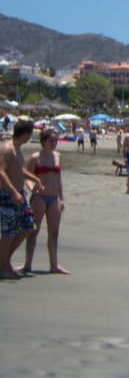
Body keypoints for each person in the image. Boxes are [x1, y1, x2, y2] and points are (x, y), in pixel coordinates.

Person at [20, 128, 69, 274]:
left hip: (54, 198)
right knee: (33, 231)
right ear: (43, 141)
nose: (54, 143)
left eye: (55, 140)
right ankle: (27, 264)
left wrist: (62, 198)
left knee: (54, 233)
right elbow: (27, 176)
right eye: (51, 140)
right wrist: (32, 188)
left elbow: (59, 178)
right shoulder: (35, 157)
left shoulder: (58, 156)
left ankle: (54, 265)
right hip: (39, 198)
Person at [0, 119, 39, 279]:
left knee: (28, 226)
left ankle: (4, 260)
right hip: (8, 195)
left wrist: (35, 178)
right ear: (26, 134)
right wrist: (13, 192)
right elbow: (1, 172)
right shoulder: (7, 149)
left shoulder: (17, 149)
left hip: (19, 194)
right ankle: (3, 267)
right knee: (8, 232)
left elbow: (18, 169)